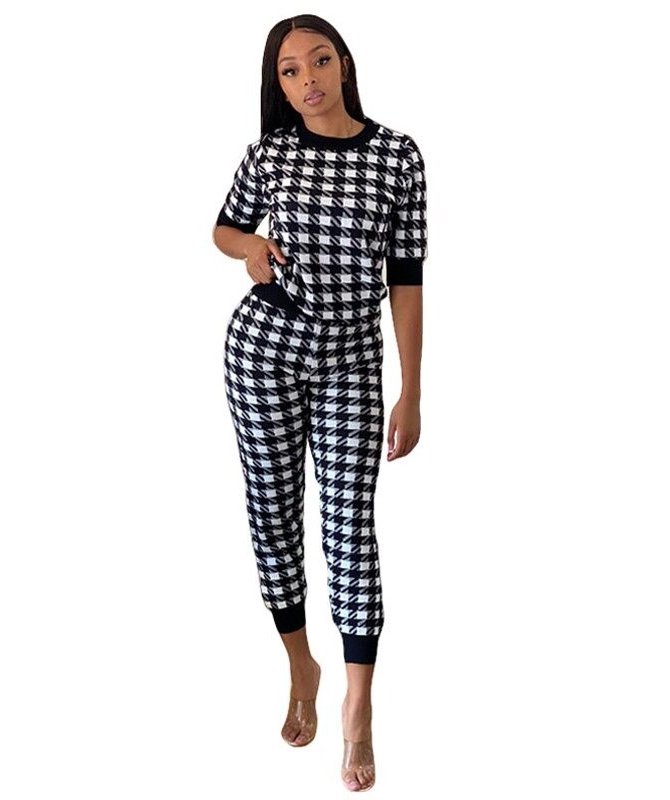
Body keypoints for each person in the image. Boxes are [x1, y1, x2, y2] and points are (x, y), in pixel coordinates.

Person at [212, 13, 427, 793]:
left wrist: (411, 387)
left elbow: (407, 276)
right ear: (279, 84)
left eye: (319, 60)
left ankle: (357, 705)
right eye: (290, 70)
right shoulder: (270, 154)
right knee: (272, 515)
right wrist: (251, 248)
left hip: (351, 366)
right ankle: (300, 662)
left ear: (344, 65)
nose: (307, 79)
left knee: (349, 530)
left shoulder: (397, 155)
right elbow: (224, 229)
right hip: (263, 352)